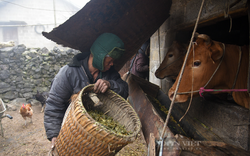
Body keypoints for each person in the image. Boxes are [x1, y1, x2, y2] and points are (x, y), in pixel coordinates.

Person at [44, 33, 129, 151]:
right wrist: (54, 134)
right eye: (110, 60)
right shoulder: (68, 73)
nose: (112, 64)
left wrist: (110, 85)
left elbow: (124, 90)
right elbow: (54, 104)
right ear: (100, 55)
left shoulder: (110, 74)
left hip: (98, 138)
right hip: (72, 131)